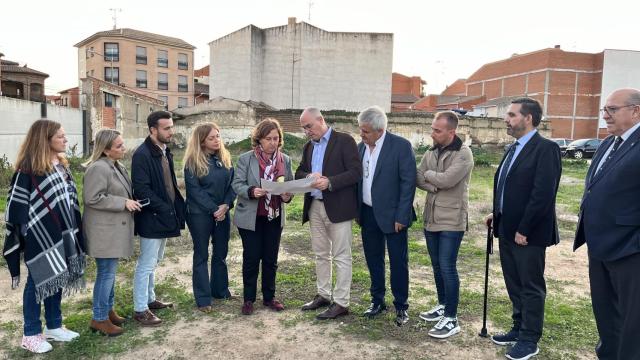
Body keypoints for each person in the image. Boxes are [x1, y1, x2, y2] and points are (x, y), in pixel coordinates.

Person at [485, 98, 562, 360]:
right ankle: (518, 328)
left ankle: (530, 339)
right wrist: (497, 214)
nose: (506, 119)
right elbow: (508, 187)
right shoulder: (513, 148)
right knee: (514, 282)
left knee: (531, 286)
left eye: (511, 115)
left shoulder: (545, 149)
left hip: (528, 234)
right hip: (507, 228)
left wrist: (524, 228)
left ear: (528, 118)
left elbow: (543, 194)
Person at [3, 119, 85, 353]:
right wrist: (28, 232)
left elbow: (68, 201)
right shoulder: (28, 169)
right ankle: (30, 333)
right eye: (60, 136)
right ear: (45, 139)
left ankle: (54, 325)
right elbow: (14, 206)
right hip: (39, 235)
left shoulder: (60, 165)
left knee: (58, 275)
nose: (65, 139)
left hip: (63, 231)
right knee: (38, 280)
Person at [573, 88, 640, 360]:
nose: (605, 116)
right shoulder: (608, 143)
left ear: (636, 111)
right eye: (605, 110)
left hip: (630, 250)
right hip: (600, 245)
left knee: (632, 320)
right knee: (605, 311)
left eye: (612, 110)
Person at [295, 107, 361, 320]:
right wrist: (309, 176)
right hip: (314, 205)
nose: (307, 131)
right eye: (304, 128)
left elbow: (356, 173)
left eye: (309, 126)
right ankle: (323, 295)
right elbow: (299, 172)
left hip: (339, 207)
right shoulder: (308, 147)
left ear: (320, 120)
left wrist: (330, 182)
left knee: (342, 256)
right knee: (320, 253)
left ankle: (341, 303)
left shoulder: (345, 141)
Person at [356, 106, 416, 327]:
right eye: (360, 130)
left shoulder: (400, 146)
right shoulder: (360, 147)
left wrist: (402, 216)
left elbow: (408, 183)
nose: (361, 134)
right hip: (368, 212)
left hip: (393, 216)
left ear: (380, 130)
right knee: (374, 259)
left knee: (398, 262)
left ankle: (401, 306)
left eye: (366, 131)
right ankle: (377, 300)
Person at [416, 111, 473, 338]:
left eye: (437, 130)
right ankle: (442, 305)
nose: (432, 133)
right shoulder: (431, 151)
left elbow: (448, 180)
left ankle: (451, 318)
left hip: (452, 219)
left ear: (452, 131)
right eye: (432, 128)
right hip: (431, 216)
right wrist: (432, 184)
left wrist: (430, 175)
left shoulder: (464, 153)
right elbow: (417, 177)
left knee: (447, 267)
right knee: (437, 266)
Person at [232, 118, 293, 315]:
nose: (273, 142)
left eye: (276, 138)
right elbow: (236, 184)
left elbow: (289, 186)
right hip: (252, 217)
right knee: (251, 258)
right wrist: (251, 191)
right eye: (268, 139)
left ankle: (269, 298)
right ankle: (248, 299)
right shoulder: (245, 159)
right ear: (259, 140)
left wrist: (287, 195)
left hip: (274, 217)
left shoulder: (286, 160)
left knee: (270, 259)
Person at [83, 129, 141, 336]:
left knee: (110, 273)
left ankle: (107, 312)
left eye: (122, 143)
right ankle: (99, 318)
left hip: (112, 230)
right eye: (118, 146)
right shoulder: (98, 168)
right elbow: (91, 198)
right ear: (106, 150)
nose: (123, 148)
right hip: (103, 231)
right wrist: (123, 202)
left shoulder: (117, 166)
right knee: (106, 274)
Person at [131, 110, 186, 326]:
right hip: (152, 217)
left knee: (155, 261)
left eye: (172, 127)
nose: (171, 131)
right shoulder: (142, 154)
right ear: (153, 130)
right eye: (167, 128)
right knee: (146, 264)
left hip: (164, 215)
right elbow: (142, 189)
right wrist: (165, 208)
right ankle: (140, 309)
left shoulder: (164, 151)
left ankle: (150, 299)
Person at [184, 122, 236, 312]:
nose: (216, 140)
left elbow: (233, 185)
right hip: (200, 215)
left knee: (221, 252)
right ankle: (203, 299)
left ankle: (220, 290)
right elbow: (195, 192)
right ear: (202, 141)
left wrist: (226, 205)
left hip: (222, 212)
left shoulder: (224, 159)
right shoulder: (192, 162)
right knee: (201, 255)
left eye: (218, 136)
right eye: (211, 138)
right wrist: (215, 209)